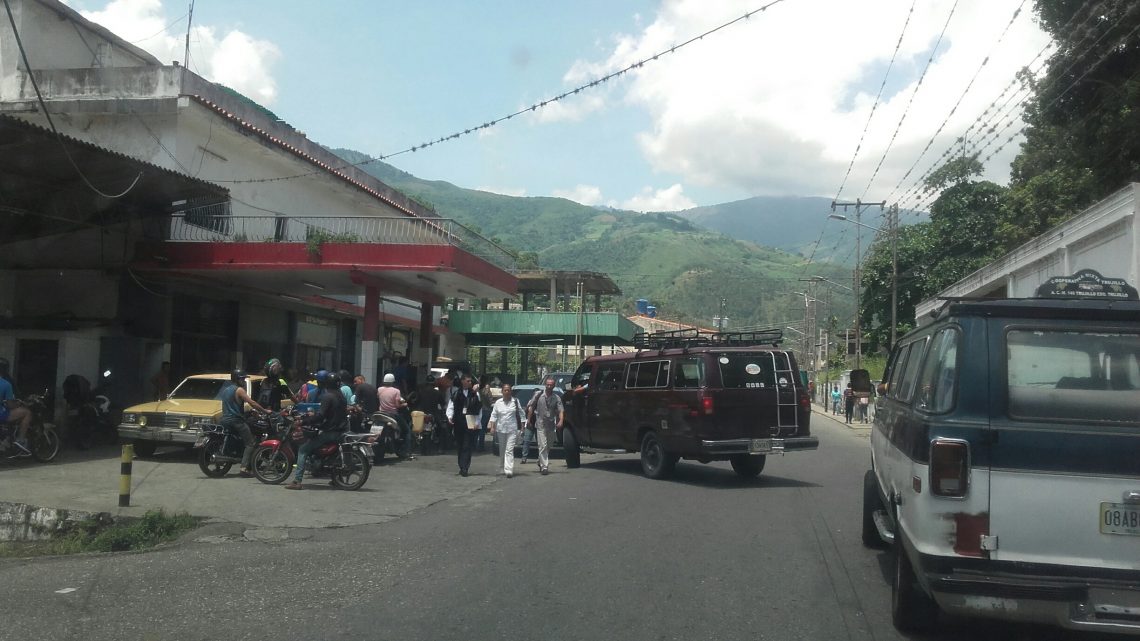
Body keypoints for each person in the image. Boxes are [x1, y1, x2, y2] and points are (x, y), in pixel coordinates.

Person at [286, 371, 348, 490]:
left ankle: (297, 481)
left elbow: (321, 415)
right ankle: (336, 478)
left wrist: (305, 421)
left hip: (331, 432)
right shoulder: (341, 396)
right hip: (341, 429)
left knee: (303, 449)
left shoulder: (327, 396)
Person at [216, 369, 270, 477]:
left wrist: (250, 412)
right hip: (236, 420)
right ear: (237, 379)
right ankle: (244, 468)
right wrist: (265, 411)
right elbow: (252, 403)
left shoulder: (226, 390)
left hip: (225, 419)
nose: (244, 381)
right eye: (242, 379)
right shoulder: (239, 390)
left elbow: (233, 405)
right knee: (250, 443)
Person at [526, 376, 564, 475]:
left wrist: (561, 421)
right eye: (547, 384)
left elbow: (561, 410)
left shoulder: (556, 397)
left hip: (551, 425)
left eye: (551, 385)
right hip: (540, 424)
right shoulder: (538, 395)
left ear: (554, 386)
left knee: (549, 445)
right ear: (545, 385)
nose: (549, 386)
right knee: (542, 445)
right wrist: (529, 419)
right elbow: (531, 407)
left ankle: (540, 460)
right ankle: (544, 467)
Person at [486, 382, 525, 477]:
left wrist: (523, 427)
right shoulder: (498, 403)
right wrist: (492, 427)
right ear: (502, 391)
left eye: (508, 390)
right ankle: (501, 467)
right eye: (505, 390)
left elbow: (522, 414)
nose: (507, 392)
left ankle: (509, 469)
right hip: (501, 429)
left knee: (509, 450)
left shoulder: (515, 401)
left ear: (511, 391)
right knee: (502, 449)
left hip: (512, 429)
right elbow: (494, 415)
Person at [445, 373, 481, 476]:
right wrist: (449, 417)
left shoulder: (475, 394)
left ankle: (465, 467)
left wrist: (477, 422)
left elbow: (479, 409)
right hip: (458, 421)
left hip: (470, 421)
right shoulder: (457, 393)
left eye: (471, 381)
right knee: (460, 445)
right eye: (468, 381)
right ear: (462, 381)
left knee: (467, 445)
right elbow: (451, 406)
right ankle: (461, 466)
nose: (470, 383)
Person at [378, 373, 414, 461]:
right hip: (393, 414)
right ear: (393, 382)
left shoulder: (379, 389)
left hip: (381, 413)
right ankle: (406, 452)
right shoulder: (396, 391)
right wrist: (405, 404)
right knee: (407, 431)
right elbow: (397, 405)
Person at [0, 359, 31, 453]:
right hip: (1, 414)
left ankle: (7, 438)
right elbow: (10, 405)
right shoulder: (6, 384)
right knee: (27, 412)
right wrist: (18, 404)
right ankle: (20, 440)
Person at [477, 375, 493, 452]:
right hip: (486, 410)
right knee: (482, 429)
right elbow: (490, 400)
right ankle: (481, 446)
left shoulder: (478, 389)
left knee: (479, 428)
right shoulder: (486, 389)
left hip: (479, 410)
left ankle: (478, 444)